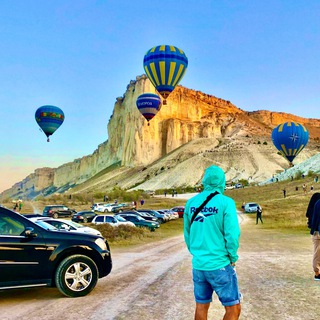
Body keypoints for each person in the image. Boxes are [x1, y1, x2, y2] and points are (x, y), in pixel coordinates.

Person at [184, 165, 241, 320]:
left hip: (199, 265)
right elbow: (232, 234)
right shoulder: (226, 202)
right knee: (233, 308)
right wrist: (232, 257)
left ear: (205, 180)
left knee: (201, 306)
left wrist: (198, 253)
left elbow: (188, 235)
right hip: (219, 264)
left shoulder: (191, 203)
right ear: (222, 181)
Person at [306, 193, 320, 281]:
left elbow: (313, 217)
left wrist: (313, 230)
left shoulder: (317, 202)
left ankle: (317, 273)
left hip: (316, 231)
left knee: (317, 253)